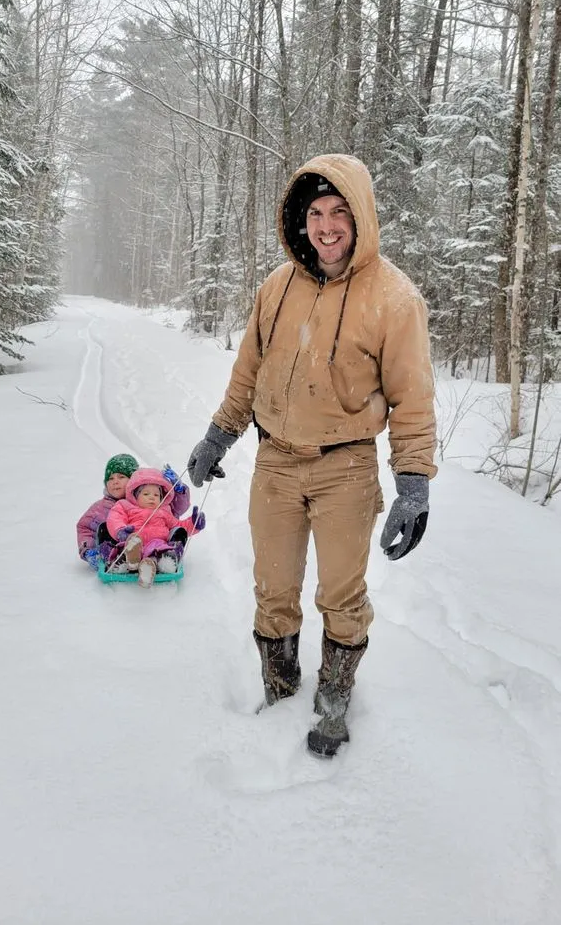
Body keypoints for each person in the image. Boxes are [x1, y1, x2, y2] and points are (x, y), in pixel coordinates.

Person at [187, 154, 437, 758]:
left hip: (345, 466)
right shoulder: (277, 286)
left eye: (339, 213)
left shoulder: (395, 299)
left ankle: (332, 702)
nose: (326, 227)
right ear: (302, 221)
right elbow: (249, 370)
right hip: (275, 461)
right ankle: (279, 688)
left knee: (341, 595)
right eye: (316, 214)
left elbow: (412, 397)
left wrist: (413, 484)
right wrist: (220, 434)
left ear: (362, 218)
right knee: (273, 589)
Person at [76, 456, 190, 570]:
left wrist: (178, 490)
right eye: (110, 478)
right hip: (119, 547)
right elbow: (84, 527)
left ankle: (166, 557)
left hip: (153, 543)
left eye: (121, 477)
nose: (115, 481)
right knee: (104, 527)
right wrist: (88, 551)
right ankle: (115, 560)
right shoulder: (101, 507)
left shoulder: (148, 499)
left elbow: (175, 508)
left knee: (177, 531)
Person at [106, 467, 205, 587]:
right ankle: (127, 561)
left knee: (159, 549)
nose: (152, 497)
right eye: (146, 493)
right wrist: (120, 530)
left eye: (156, 495)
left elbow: (178, 526)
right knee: (127, 545)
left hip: (156, 543)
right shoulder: (125, 506)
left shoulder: (164, 511)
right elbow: (115, 518)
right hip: (133, 539)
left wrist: (194, 523)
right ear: (135, 495)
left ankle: (150, 567)